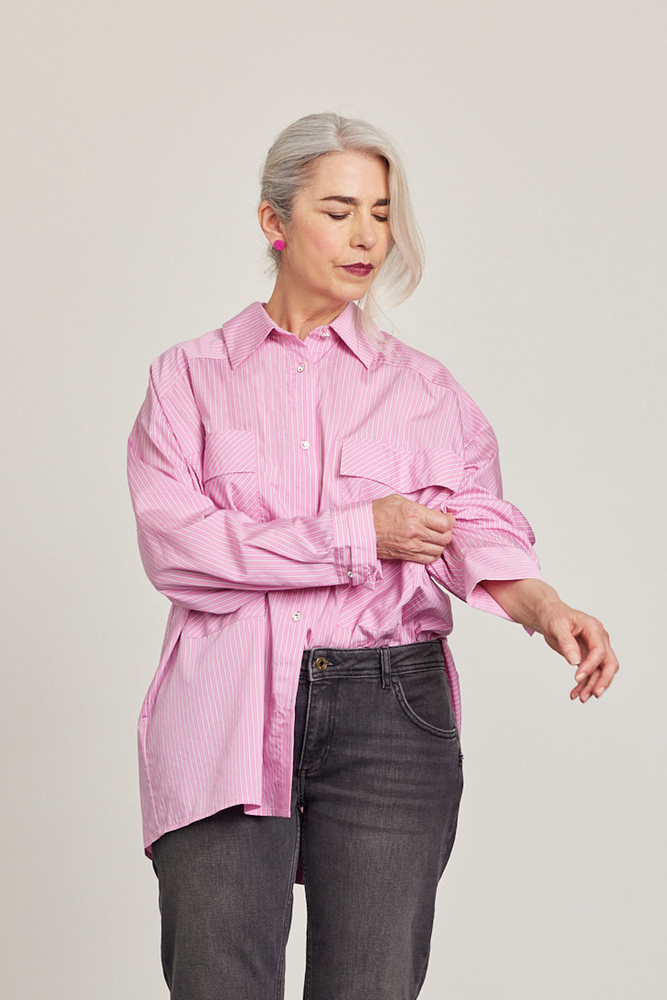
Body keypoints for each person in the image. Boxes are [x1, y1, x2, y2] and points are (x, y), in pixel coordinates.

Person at [127, 112, 619, 1000]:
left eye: (382, 213)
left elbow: (468, 523)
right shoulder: (187, 379)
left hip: (391, 705)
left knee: (372, 986)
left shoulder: (423, 389)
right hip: (228, 697)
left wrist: (545, 608)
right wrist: (359, 534)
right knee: (216, 981)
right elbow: (180, 549)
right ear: (275, 222)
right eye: (339, 210)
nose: (367, 236)